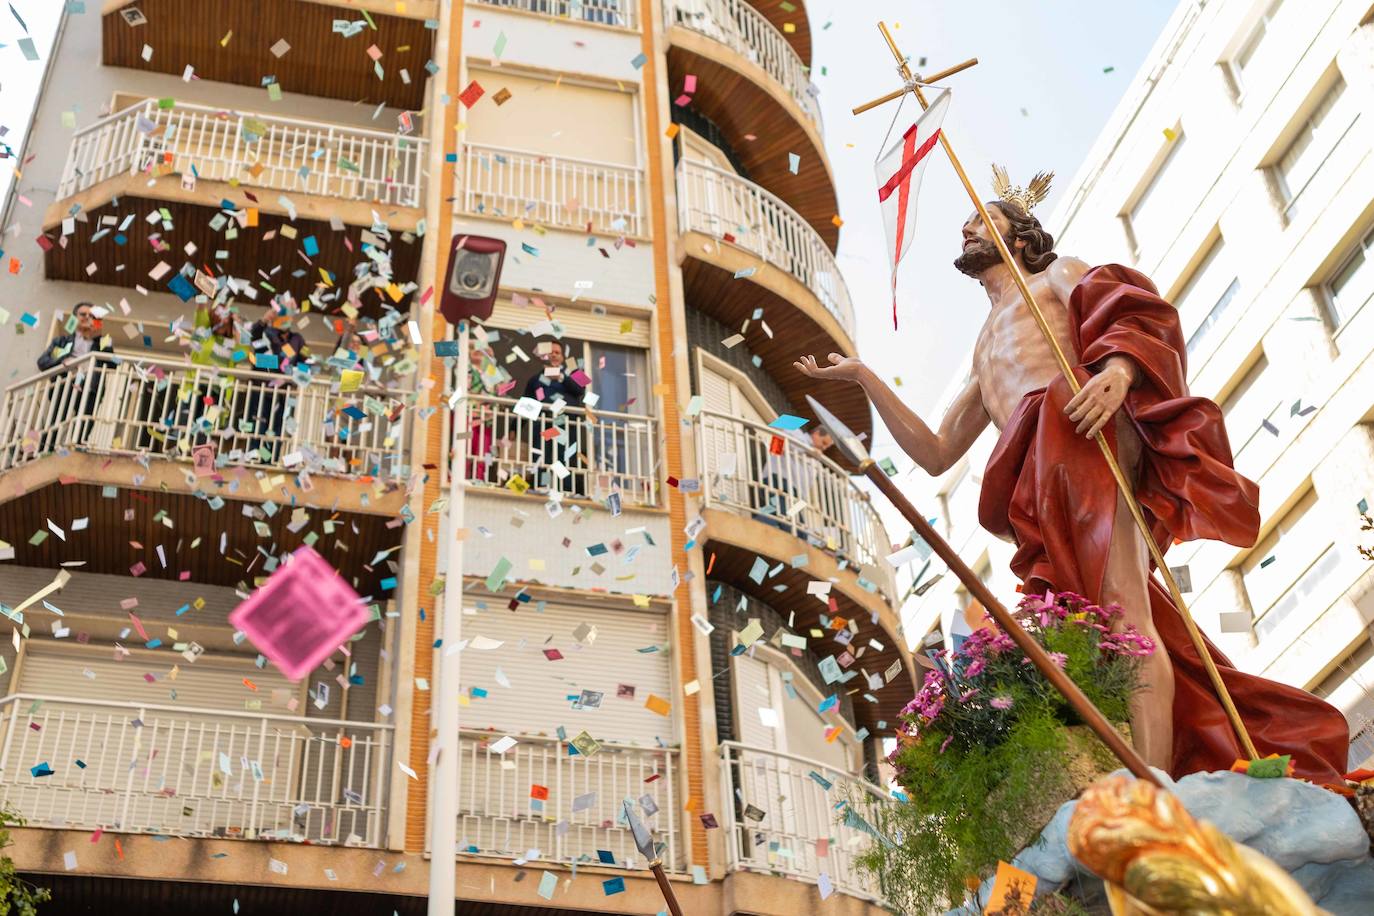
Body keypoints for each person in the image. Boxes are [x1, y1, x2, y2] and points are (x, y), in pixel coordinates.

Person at [796, 174, 1350, 784]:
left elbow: (1129, 311)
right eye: (968, 223)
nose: (969, 227)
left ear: (1019, 231)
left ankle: (1154, 782)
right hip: (1035, 481)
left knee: (1121, 610)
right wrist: (863, 377)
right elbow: (935, 452)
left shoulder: (1053, 278)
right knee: (1090, 635)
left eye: (984, 217)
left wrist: (1117, 372)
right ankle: (1145, 762)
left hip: (1082, 436)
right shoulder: (983, 349)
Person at [34, 302, 115, 454]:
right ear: (75, 318)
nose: (87, 318)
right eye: (83, 314)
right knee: (55, 423)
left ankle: (78, 452)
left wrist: (99, 337)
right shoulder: (62, 341)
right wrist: (62, 361)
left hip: (90, 389)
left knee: (84, 425)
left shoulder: (102, 342)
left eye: (91, 315)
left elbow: (112, 365)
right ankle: (45, 451)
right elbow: (42, 362)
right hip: (65, 386)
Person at [523, 339, 586, 496]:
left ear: (563, 357)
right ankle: (541, 488)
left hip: (566, 424)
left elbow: (581, 389)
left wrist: (562, 377)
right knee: (542, 457)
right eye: (550, 352)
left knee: (564, 460)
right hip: (543, 424)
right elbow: (525, 404)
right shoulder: (535, 379)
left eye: (557, 352)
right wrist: (513, 429)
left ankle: (565, 491)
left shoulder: (574, 370)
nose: (554, 355)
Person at [755, 422, 834, 545]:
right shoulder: (797, 432)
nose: (824, 448)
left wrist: (851, 494)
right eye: (824, 443)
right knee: (777, 514)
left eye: (827, 447)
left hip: (798, 498)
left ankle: (777, 545)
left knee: (800, 532)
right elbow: (778, 425)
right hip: (778, 481)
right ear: (816, 433)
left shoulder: (816, 461)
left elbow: (826, 480)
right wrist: (807, 450)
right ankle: (758, 531)